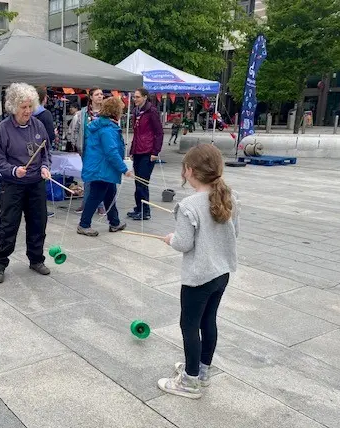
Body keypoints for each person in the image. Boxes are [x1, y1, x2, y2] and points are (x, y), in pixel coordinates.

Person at [157, 144, 239, 399]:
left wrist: (170, 238)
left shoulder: (188, 205)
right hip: (221, 273)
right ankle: (202, 371)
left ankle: (190, 380)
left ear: (189, 171)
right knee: (208, 321)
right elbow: (235, 233)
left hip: (199, 276)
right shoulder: (229, 196)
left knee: (189, 325)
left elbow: (184, 243)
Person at [0, 83, 52, 284]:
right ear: (13, 107)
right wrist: (14, 170)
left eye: (30, 106)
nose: (27, 111)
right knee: (8, 225)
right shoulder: (3, 129)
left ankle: (36, 259)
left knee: (38, 222)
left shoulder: (38, 125)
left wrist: (45, 167)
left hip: (35, 183)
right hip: (12, 184)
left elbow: (45, 152)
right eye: (23, 107)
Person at [77, 97, 133, 237]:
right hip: (102, 169)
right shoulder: (107, 129)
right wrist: (124, 169)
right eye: (121, 110)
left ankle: (114, 222)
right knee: (95, 196)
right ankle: (84, 225)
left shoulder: (105, 126)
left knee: (109, 195)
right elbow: (111, 152)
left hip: (102, 168)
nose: (122, 113)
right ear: (115, 112)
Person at [128, 88, 163, 221]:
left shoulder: (151, 111)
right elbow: (136, 133)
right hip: (138, 150)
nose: (135, 99)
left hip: (148, 151)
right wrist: (132, 150)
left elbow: (159, 133)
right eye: (134, 97)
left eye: (137, 97)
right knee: (137, 182)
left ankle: (145, 211)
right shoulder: (136, 111)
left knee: (143, 182)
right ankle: (138, 208)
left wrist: (155, 151)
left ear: (144, 97)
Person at [74, 88, 106, 215]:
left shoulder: (107, 112)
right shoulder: (83, 113)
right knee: (88, 178)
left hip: (103, 150)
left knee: (101, 178)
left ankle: (100, 205)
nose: (100, 96)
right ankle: (86, 204)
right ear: (91, 97)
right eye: (97, 94)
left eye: (101, 94)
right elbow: (75, 129)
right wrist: (77, 144)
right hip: (87, 150)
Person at [33, 86, 56, 218]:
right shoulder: (45, 114)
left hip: (31, 151)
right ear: (44, 98)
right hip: (43, 153)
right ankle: (41, 210)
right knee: (42, 181)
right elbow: (50, 136)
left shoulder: (28, 114)